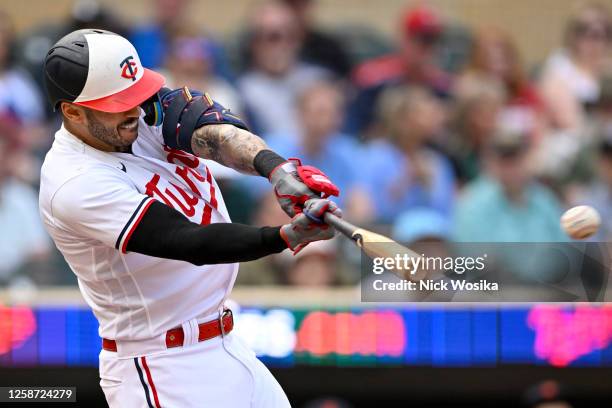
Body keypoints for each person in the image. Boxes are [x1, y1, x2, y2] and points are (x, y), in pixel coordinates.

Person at [39, 29, 343, 407]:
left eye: (134, 95)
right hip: (162, 365)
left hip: (226, 344)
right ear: (72, 111)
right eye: (119, 103)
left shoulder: (137, 114)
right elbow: (188, 241)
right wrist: (284, 236)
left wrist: (277, 170)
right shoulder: (73, 182)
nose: (135, 110)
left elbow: (211, 128)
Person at [347, 5, 452, 135]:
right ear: (404, 39)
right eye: (422, 41)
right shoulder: (374, 80)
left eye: (434, 42)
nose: (428, 49)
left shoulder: (443, 87)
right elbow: (354, 132)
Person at [453, 128, 567, 242]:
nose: (512, 168)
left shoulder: (543, 199)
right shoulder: (473, 203)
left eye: (518, 158)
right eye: (504, 160)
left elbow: (565, 246)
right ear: (489, 162)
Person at [362, 85, 455, 223]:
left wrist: (427, 185)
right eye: (424, 113)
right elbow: (371, 212)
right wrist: (405, 182)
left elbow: (446, 213)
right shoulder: (375, 156)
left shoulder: (436, 161)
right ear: (401, 120)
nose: (434, 118)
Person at [238, 0, 330, 136]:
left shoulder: (321, 81)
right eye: (273, 37)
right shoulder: (241, 92)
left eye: (291, 36)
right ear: (255, 43)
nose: (282, 45)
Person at [539, 2, 611, 131]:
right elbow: (568, 122)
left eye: (603, 31)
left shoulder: (607, 70)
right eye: (585, 29)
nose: (595, 40)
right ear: (572, 34)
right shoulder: (559, 66)